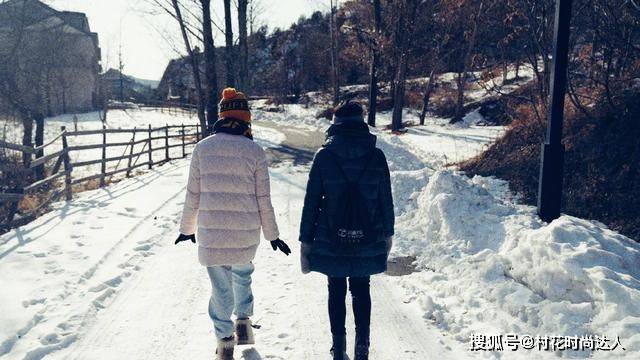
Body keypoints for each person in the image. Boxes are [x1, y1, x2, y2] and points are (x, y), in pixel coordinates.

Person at [176, 88, 291, 360]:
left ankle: (225, 340)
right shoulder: (254, 151)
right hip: (245, 234)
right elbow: (264, 199)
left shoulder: (202, 149)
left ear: (222, 116)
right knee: (243, 276)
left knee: (220, 288)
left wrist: (187, 229)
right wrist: (272, 235)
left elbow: (193, 193)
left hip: (212, 235)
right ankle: (244, 324)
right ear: (245, 119)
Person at [299, 101, 395, 360]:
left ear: (335, 124)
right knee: (362, 288)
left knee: (336, 288)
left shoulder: (324, 156)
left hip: (331, 235)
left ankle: (338, 348)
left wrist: (306, 241)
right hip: (368, 233)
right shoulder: (376, 156)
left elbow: (312, 202)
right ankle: (362, 345)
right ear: (361, 122)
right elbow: (385, 199)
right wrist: (388, 233)